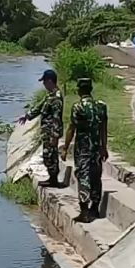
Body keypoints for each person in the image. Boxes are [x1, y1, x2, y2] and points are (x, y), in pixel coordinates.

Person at [61, 77, 105, 223]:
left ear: (79, 90)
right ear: (91, 89)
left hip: (83, 149)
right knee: (96, 176)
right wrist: (104, 147)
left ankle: (84, 211)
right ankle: (95, 208)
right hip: (97, 148)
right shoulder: (101, 106)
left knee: (83, 176)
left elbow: (71, 129)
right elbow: (103, 129)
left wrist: (65, 148)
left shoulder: (77, 107)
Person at [18, 68, 65, 187]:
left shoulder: (56, 98)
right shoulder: (50, 96)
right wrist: (27, 116)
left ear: (50, 81)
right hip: (46, 132)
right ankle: (51, 178)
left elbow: (56, 117)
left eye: (44, 82)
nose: (43, 84)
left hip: (51, 132)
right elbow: (39, 107)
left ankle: (53, 180)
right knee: (47, 155)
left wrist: (55, 135)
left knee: (50, 155)